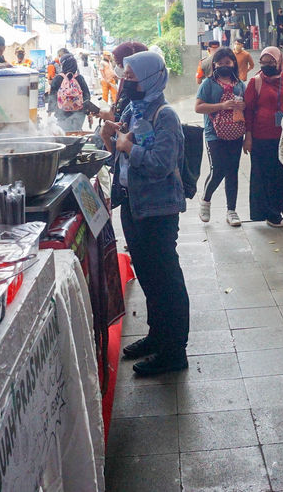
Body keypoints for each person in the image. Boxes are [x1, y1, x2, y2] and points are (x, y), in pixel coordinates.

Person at [100, 51, 189, 376]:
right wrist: (112, 142)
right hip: (136, 206)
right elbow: (125, 162)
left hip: (158, 210)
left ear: (151, 79)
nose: (126, 83)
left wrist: (129, 147)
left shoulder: (165, 115)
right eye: (125, 77)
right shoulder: (136, 109)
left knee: (166, 281)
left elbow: (161, 165)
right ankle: (156, 336)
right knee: (150, 278)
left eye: (132, 79)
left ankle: (174, 351)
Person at [244, 46, 283, 227]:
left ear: (279, 61)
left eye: (271, 62)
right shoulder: (256, 82)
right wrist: (248, 137)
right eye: (264, 62)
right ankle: (272, 215)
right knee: (267, 177)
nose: (267, 65)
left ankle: (282, 201)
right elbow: (248, 111)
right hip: (262, 137)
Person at [195, 47, 246, 227]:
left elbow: (247, 106)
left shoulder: (239, 83)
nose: (224, 65)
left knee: (233, 170)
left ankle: (231, 210)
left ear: (233, 63)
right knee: (218, 169)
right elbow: (198, 107)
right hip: (214, 133)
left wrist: (241, 106)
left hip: (236, 132)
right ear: (214, 64)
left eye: (228, 62)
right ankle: (206, 201)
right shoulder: (208, 83)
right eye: (220, 63)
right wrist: (222, 105)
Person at [50, 53, 93, 132]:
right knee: (76, 132)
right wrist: (87, 112)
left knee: (63, 133)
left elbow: (52, 96)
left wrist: (50, 111)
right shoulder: (79, 78)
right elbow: (87, 95)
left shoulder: (58, 78)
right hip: (79, 113)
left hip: (61, 113)